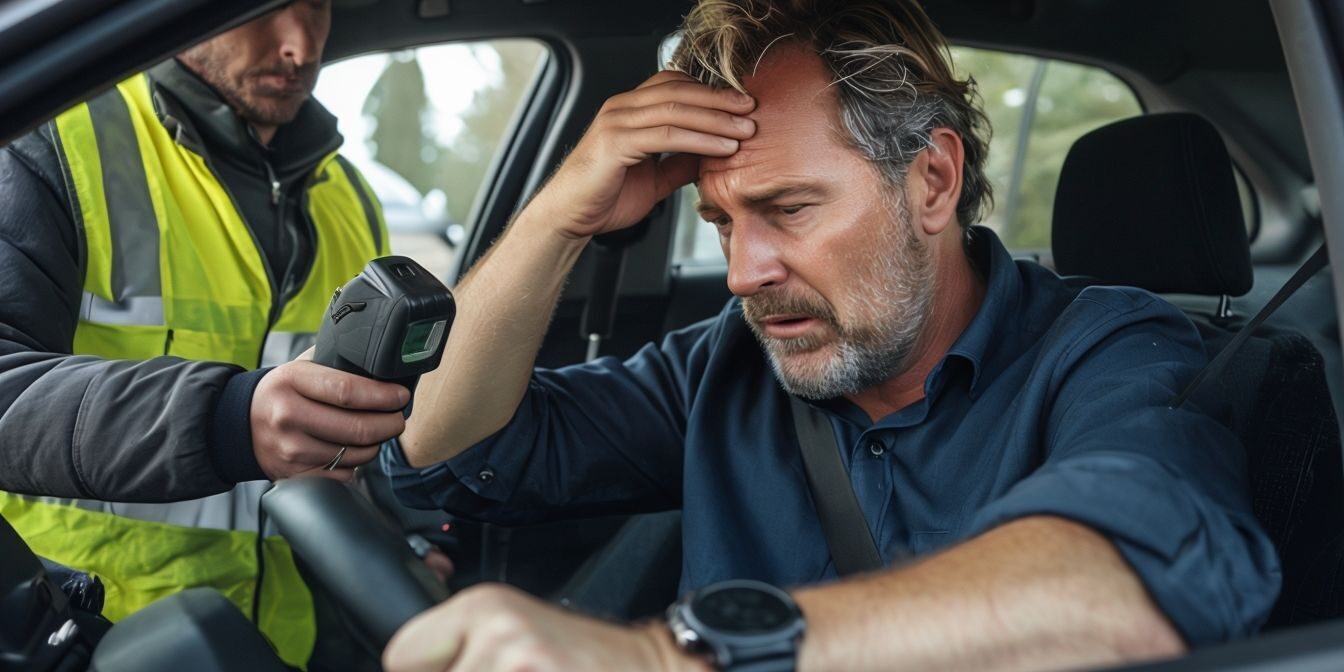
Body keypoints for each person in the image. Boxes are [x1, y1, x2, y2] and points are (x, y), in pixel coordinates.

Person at [381, 0, 1280, 670]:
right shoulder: (727, 364)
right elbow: (446, 451)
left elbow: (1138, 579)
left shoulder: (1110, 348)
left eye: (788, 208)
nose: (744, 272)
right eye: (722, 221)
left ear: (932, 181)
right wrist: (560, 218)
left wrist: (668, 658)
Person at [0, 0, 411, 666]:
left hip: (276, 647)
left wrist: (402, 535)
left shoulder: (351, 198)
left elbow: (366, 423)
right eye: (264, 6)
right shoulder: (51, 139)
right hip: (92, 637)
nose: (300, 46)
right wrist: (227, 418)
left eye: (316, 4)